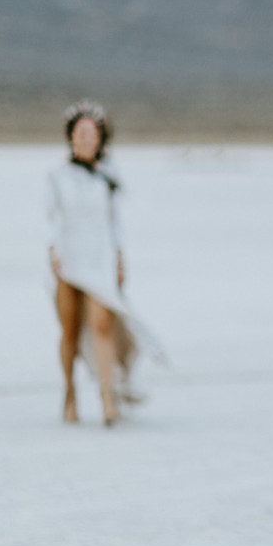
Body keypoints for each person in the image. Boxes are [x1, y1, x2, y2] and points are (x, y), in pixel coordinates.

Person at [47, 100, 157, 426]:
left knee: (102, 325)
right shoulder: (57, 175)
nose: (86, 139)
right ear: (71, 137)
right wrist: (52, 250)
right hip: (68, 260)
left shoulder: (109, 176)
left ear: (101, 139)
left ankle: (107, 397)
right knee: (69, 331)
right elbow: (50, 217)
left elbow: (115, 222)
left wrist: (120, 258)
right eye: (81, 133)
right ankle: (69, 393)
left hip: (99, 261)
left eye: (92, 133)